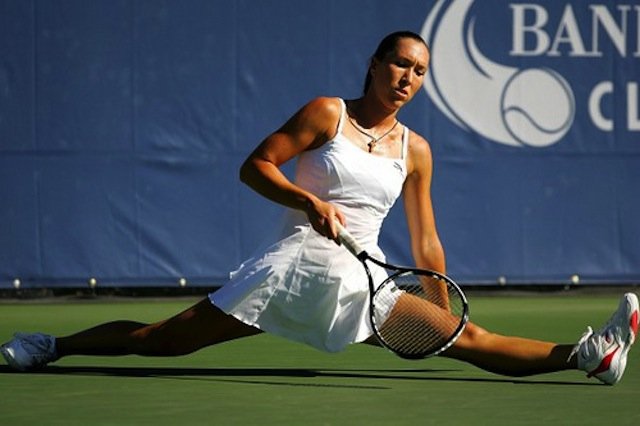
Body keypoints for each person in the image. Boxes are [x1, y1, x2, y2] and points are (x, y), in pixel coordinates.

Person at [2, 31, 637, 385]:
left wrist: (439, 312)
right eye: (399, 63)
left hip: (366, 280)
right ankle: (50, 346)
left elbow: (428, 241)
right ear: (375, 64)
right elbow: (254, 167)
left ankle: (590, 356)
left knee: (471, 338)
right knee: (160, 341)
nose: (408, 77)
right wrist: (308, 200)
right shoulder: (326, 113)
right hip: (293, 266)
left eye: (419, 71)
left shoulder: (417, 151)